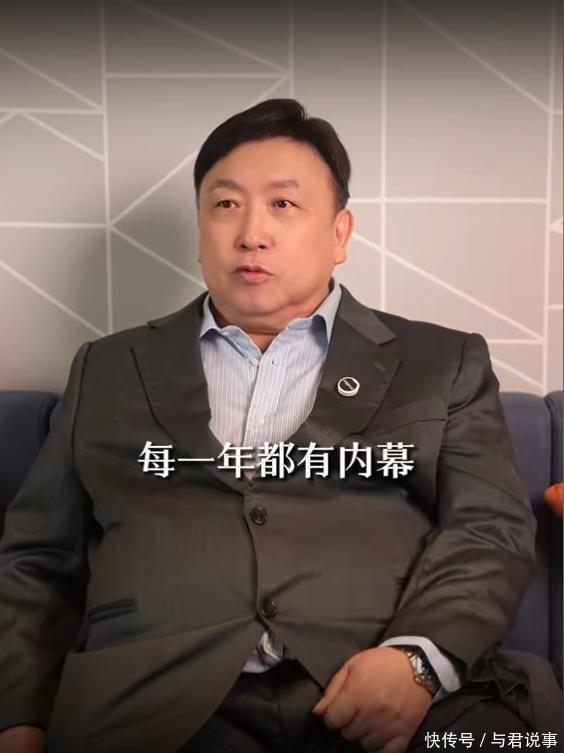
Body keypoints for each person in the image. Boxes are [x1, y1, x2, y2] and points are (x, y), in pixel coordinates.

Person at [0, 99, 560, 753]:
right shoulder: (108, 367)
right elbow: (38, 559)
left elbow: (490, 529)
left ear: (340, 233)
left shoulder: (442, 361)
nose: (251, 233)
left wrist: (418, 662)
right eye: (226, 204)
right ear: (201, 229)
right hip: (157, 702)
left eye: (283, 205)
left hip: (392, 685)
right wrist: (18, 720)